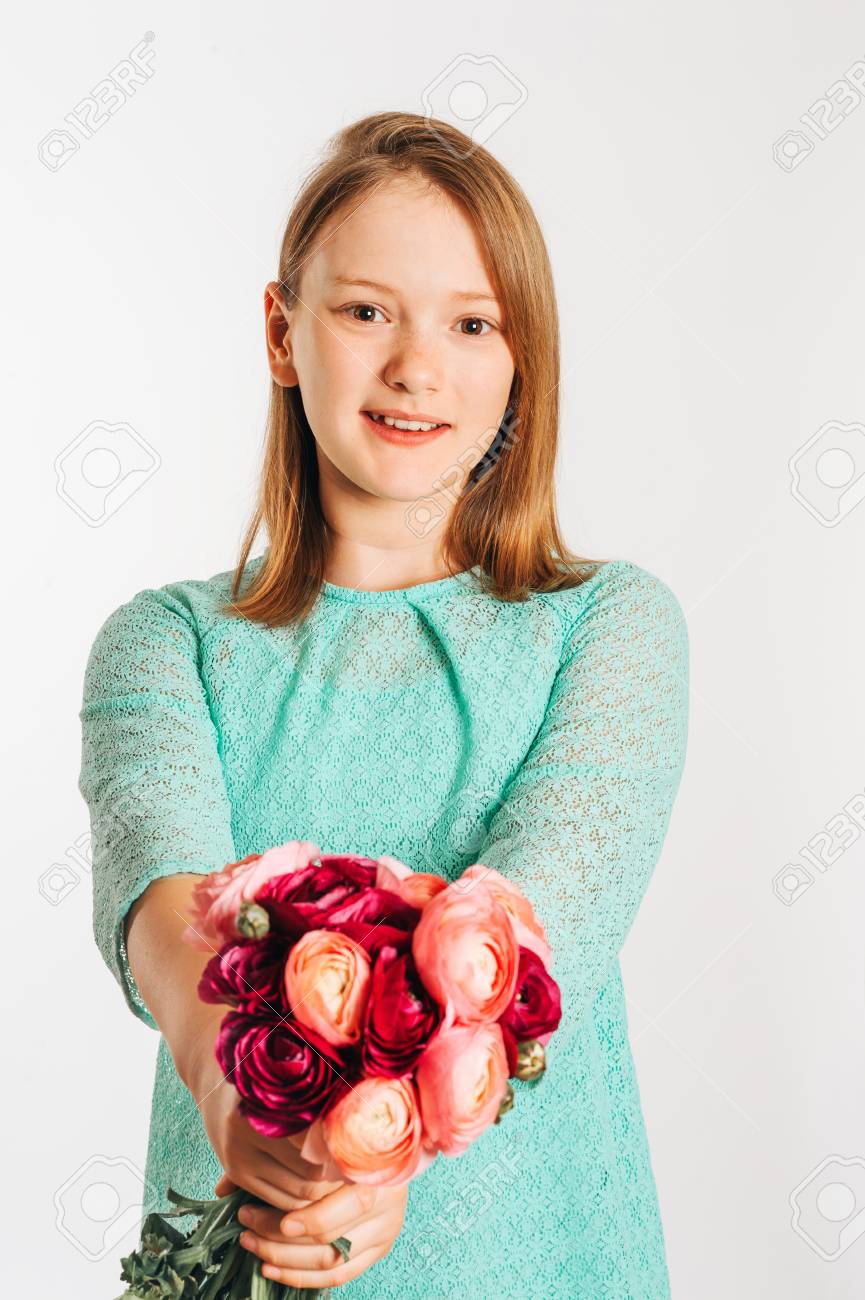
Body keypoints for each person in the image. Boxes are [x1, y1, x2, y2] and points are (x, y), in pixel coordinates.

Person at [78, 109, 689, 1297]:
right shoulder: (168, 646)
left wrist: (373, 1148)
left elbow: (539, 921)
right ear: (280, 331)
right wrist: (228, 1090)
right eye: (366, 311)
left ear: (522, 360)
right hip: (254, 1247)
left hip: (540, 1266)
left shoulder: (610, 624)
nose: (417, 366)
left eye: (472, 324)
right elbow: (162, 904)